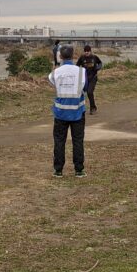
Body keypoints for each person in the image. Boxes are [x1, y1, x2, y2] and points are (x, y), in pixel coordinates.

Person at [48, 44, 87, 177]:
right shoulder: (82, 72)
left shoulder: (55, 73)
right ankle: (79, 170)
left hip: (60, 113)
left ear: (60, 56)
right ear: (73, 55)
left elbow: (52, 82)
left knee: (59, 141)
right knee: (78, 141)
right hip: (77, 111)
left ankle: (58, 170)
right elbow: (85, 87)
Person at [76, 44, 103, 114]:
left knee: (89, 92)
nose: (86, 52)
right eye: (85, 51)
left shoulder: (94, 57)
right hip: (84, 79)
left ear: (90, 51)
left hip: (93, 78)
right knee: (81, 93)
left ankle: (92, 108)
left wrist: (98, 67)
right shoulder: (82, 58)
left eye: (88, 51)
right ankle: (79, 109)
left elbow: (100, 63)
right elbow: (77, 66)